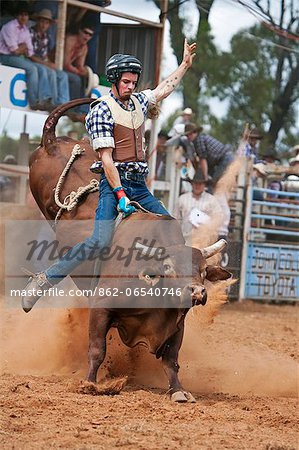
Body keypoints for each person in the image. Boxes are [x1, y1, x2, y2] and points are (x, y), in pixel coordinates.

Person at [21, 38, 197, 313]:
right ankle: (43, 281)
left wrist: (184, 64)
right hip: (114, 182)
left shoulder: (138, 101)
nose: (131, 86)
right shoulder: (102, 109)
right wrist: (119, 195)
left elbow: (163, 90)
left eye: (133, 81)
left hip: (139, 185)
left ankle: (161, 288)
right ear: (114, 81)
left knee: (171, 227)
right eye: (126, 81)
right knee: (99, 240)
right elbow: (106, 160)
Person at [0, 2, 56, 111]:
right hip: (5, 57)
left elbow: (29, 52)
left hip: (18, 57)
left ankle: (45, 99)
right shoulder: (10, 27)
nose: (23, 17)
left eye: (26, 15)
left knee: (42, 69)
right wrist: (23, 46)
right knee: (32, 69)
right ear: (17, 15)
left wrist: (23, 47)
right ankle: (34, 101)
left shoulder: (25, 29)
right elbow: (15, 51)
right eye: (21, 14)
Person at [30, 9, 70, 107]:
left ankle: (64, 104)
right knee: (50, 72)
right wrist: (47, 64)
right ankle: (50, 101)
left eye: (46, 23)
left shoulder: (46, 36)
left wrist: (49, 63)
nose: (44, 25)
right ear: (38, 21)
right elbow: (30, 55)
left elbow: (44, 55)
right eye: (42, 21)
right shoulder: (30, 32)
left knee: (63, 75)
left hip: (41, 61)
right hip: (31, 61)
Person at [174, 169, 224, 240]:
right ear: (192, 184)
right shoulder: (182, 199)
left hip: (204, 238)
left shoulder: (212, 200)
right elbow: (176, 218)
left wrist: (209, 225)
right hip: (185, 237)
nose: (197, 186)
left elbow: (218, 217)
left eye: (200, 184)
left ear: (204, 185)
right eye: (195, 183)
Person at [183, 123, 234, 189]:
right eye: (187, 135)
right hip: (222, 159)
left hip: (225, 159)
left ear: (195, 132)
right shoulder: (199, 139)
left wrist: (205, 177)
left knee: (213, 182)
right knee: (212, 180)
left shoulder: (199, 140)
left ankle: (211, 197)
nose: (189, 136)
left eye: (191, 134)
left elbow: (202, 159)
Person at [63, 21, 95, 117]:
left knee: (86, 79)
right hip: (56, 67)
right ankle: (73, 108)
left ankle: (82, 108)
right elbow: (65, 63)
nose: (87, 37)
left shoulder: (84, 47)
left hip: (67, 69)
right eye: (85, 33)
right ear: (79, 32)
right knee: (76, 79)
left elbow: (79, 65)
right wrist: (78, 71)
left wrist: (84, 72)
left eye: (90, 35)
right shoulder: (70, 40)